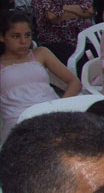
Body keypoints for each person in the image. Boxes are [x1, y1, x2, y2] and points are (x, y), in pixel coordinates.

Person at [0, 10, 80, 144]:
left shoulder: (40, 53)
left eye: (27, 35)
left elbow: (74, 82)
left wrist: (60, 106)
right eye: (15, 36)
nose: (23, 41)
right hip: (18, 121)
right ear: (2, 37)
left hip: (51, 113)